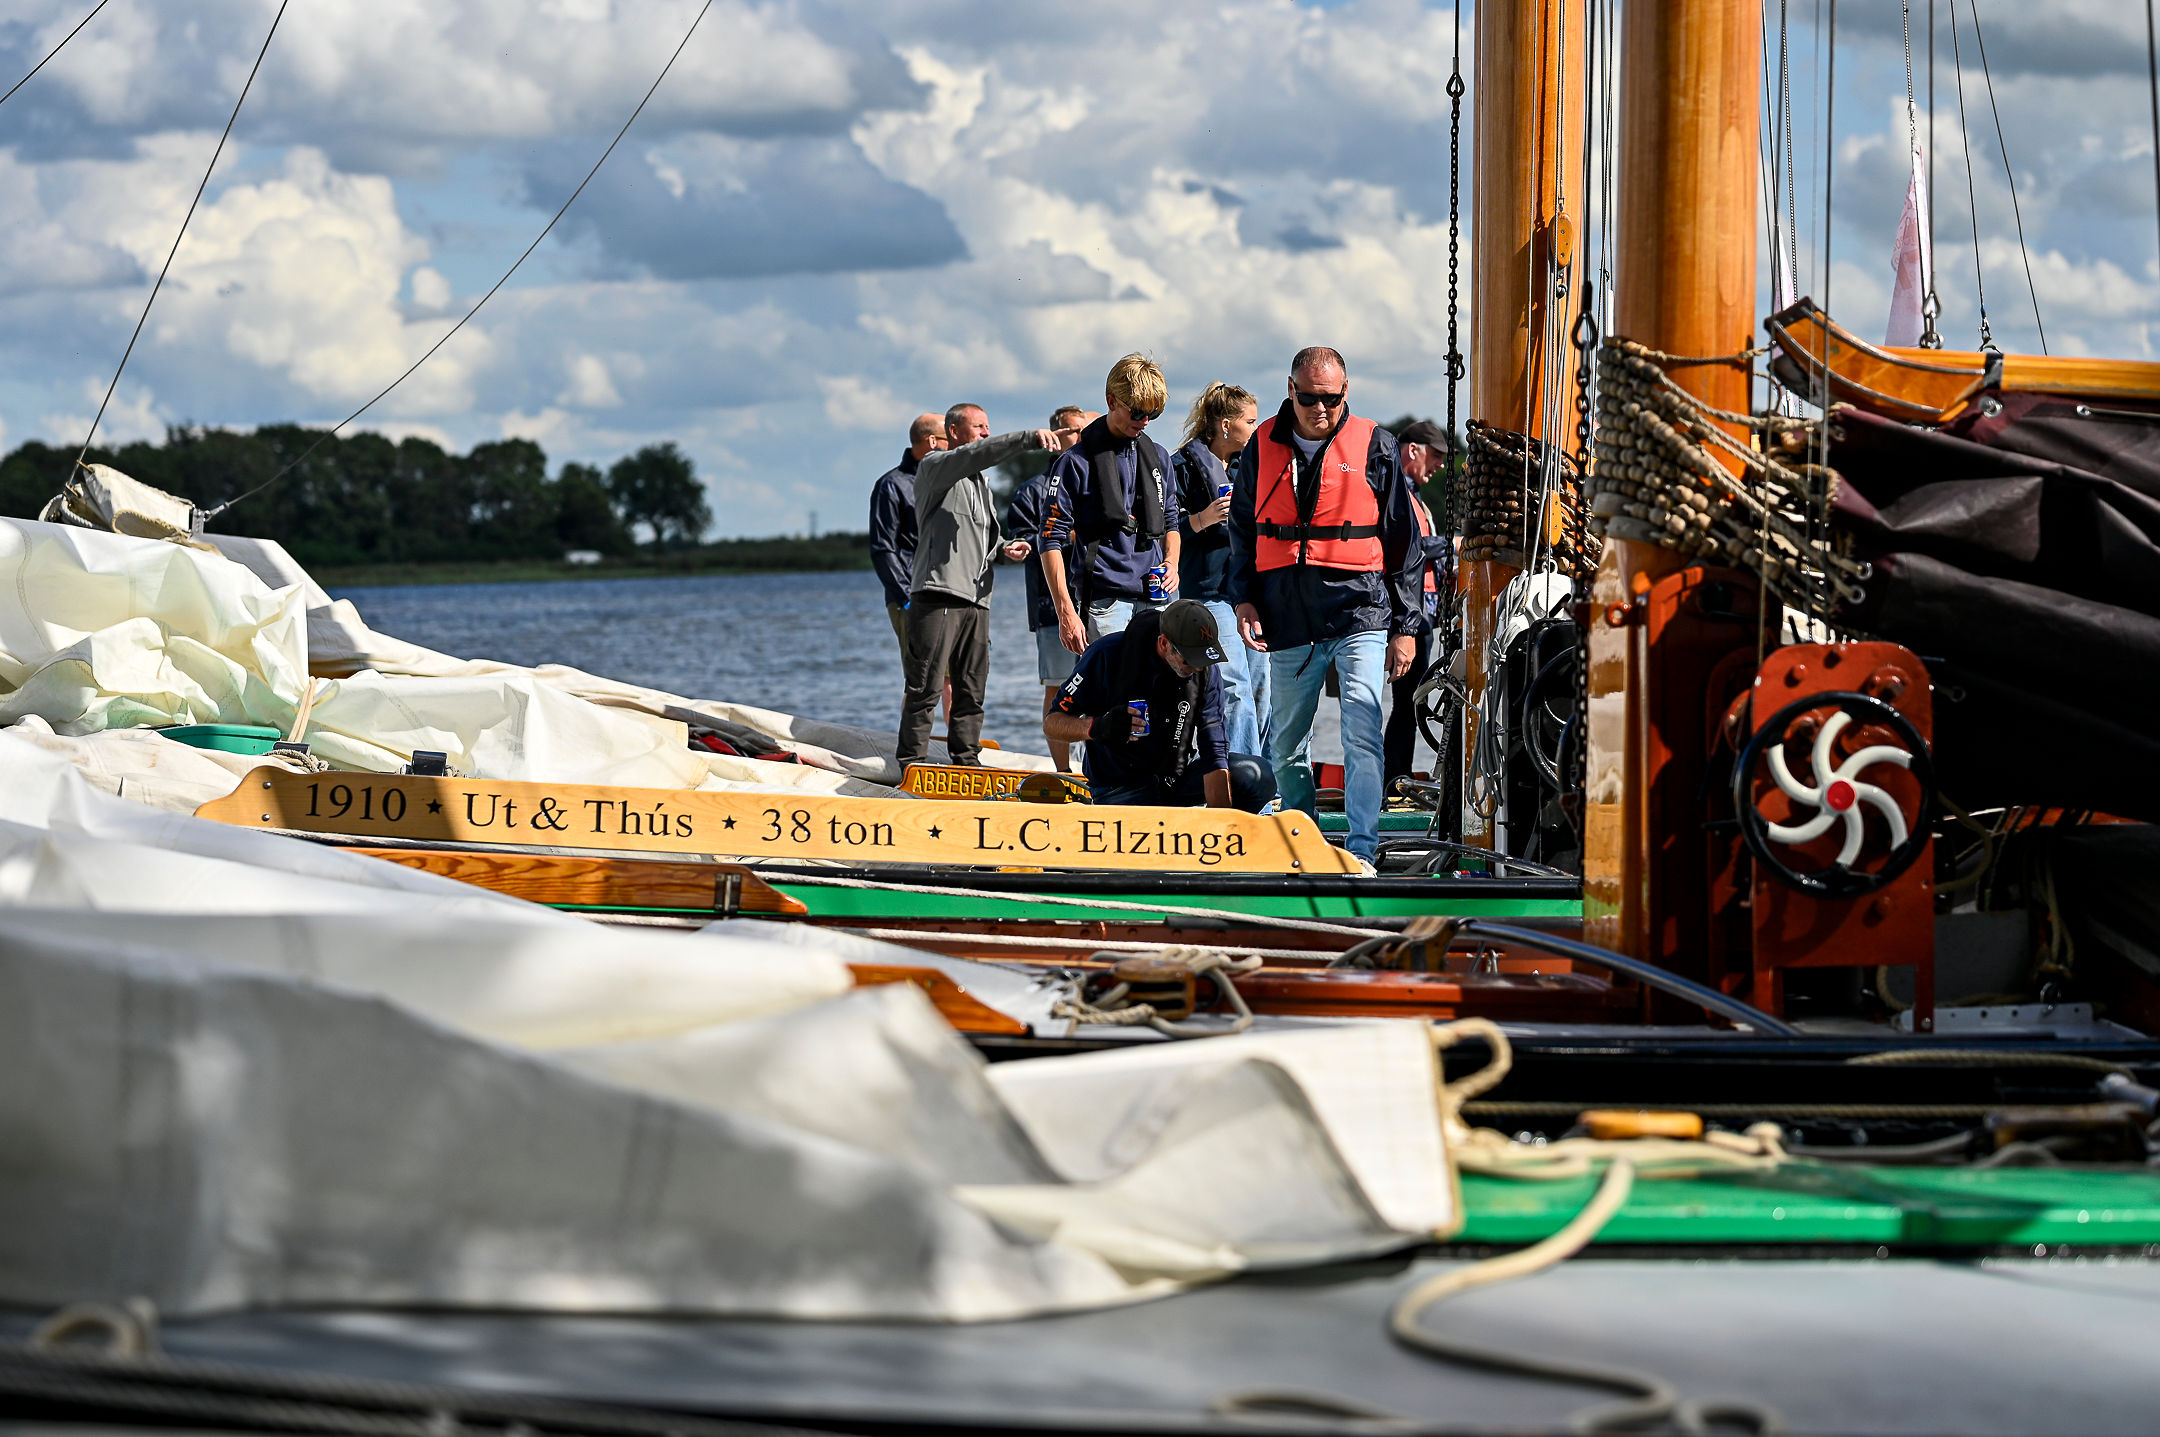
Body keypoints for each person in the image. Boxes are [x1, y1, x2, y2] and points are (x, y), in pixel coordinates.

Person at [1224, 346, 1426, 863]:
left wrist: (1405, 627)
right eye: (1309, 398)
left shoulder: (1376, 446)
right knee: (1287, 745)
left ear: (1346, 392)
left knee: (1362, 726)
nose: (1321, 410)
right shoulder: (1260, 448)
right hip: (1287, 617)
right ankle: (1303, 844)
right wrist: (1244, 599)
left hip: (1360, 611)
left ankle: (1363, 849)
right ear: (1290, 390)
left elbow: (1404, 544)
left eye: (1332, 399)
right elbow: (1243, 532)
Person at [898, 403, 1072, 771]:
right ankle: (911, 763)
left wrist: (1007, 550)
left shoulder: (980, 485)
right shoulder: (934, 467)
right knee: (925, 689)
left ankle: (966, 762)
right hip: (938, 596)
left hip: (977, 602)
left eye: (988, 426)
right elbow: (979, 453)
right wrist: (1027, 438)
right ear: (954, 432)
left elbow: (986, 545)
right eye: (979, 426)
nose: (986, 432)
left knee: (972, 690)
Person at [1043, 599, 1276, 811]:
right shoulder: (1106, 654)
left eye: (1202, 660)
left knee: (1257, 775)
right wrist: (1097, 727)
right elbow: (1052, 724)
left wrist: (1219, 833)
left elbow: (1214, 754)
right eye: (1189, 660)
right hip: (1119, 790)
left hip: (1174, 780)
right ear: (1164, 643)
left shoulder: (1205, 669)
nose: (1197, 668)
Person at [1039, 355, 1181, 656]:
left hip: (1157, 598)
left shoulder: (1158, 457)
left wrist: (1173, 563)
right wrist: (1066, 613)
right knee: (1108, 696)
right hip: (1105, 602)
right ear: (1112, 401)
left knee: (1158, 695)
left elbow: (1171, 521)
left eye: (1152, 415)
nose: (1144, 422)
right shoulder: (1074, 463)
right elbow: (1050, 538)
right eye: (1138, 413)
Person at [1172, 382, 1266, 759]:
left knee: (1262, 687)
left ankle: (1264, 776)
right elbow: (1164, 531)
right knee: (1235, 686)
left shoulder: (1253, 467)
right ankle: (1243, 782)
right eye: (1251, 421)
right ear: (1226, 425)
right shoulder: (1180, 467)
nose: (1257, 429)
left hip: (1249, 594)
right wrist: (1202, 518)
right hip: (1207, 595)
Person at [1009, 405, 1094, 771]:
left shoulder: (1101, 479)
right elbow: (1023, 539)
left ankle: (1097, 769)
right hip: (1052, 608)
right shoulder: (1032, 491)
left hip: (1099, 601)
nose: (1082, 437)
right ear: (1055, 439)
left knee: (1101, 687)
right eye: (1074, 431)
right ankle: (1063, 773)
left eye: (1086, 430)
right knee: (1058, 687)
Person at [1385, 419, 1454, 787]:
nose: (1441, 465)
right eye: (1436, 456)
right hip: (1407, 615)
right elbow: (1407, 547)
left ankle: (1397, 775)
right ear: (1413, 450)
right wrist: (1454, 545)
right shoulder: (1397, 493)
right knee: (1407, 701)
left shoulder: (1413, 496)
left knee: (1410, 702)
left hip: (1421, 613)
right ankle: (1394, 778)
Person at [869, 411, 947, 668]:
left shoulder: (946, 481)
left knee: (953, 677)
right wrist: (908, 599)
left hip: (948, 594)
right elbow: (883, 549)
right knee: (921, 679)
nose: (954, 445)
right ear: (932, 441)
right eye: (949, 437)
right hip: (912, 596)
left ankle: (952, 713)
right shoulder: (891, 485)